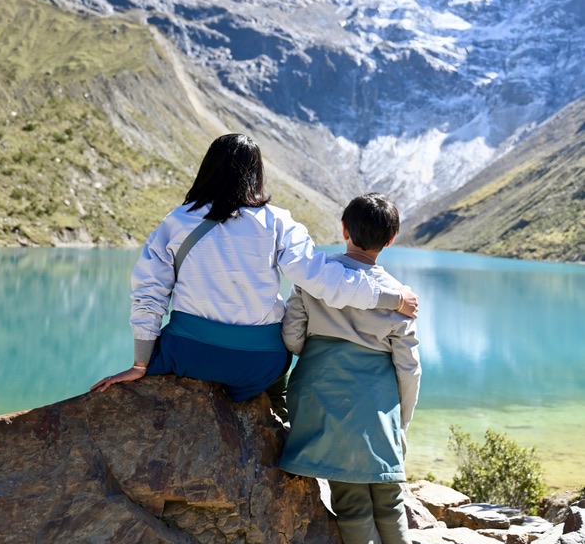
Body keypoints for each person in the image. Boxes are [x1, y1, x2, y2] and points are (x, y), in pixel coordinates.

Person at [91, 135, 418, 404]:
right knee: (275, 398)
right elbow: (322, 280)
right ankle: (274, 439)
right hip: (258, 363)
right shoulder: (278, 222)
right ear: (256, 174)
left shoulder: (176, 221)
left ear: (207, 169)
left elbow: (149, 294)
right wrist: (392, 299)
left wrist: (140, 364)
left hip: (186, 355)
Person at [278, 192, 421, 544]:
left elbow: (292, 337)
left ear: (343, 228)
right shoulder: (400, 300)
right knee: (391, 502)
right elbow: (409, 369)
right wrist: (400, 424)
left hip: (323, 400)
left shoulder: (315, 278)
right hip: (376, 408)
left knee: (353, 506)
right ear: (392, 239)